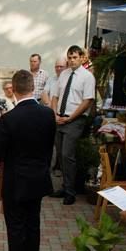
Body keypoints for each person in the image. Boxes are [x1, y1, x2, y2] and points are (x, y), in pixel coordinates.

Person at [0, 70, 57, 251]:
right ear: (32, 88)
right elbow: (49, 146)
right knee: (33, 226)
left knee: (16, 229)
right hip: (38, 179)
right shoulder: (48, 114)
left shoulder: (9, 118)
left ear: (14, 90)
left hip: (16, 182)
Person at [49, 45, 95, 205]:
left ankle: (70, 192)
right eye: (69, 57)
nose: (72, 60)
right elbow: (55, 96)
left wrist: (70, 118)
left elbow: (87, 101)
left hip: (75, 120)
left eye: (75, 57)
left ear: (82, 58)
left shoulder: (87, 77)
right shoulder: (64, 74)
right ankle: (65, 186)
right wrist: (55, 114)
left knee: (68, 155)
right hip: (59, 118)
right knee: (61, 155)